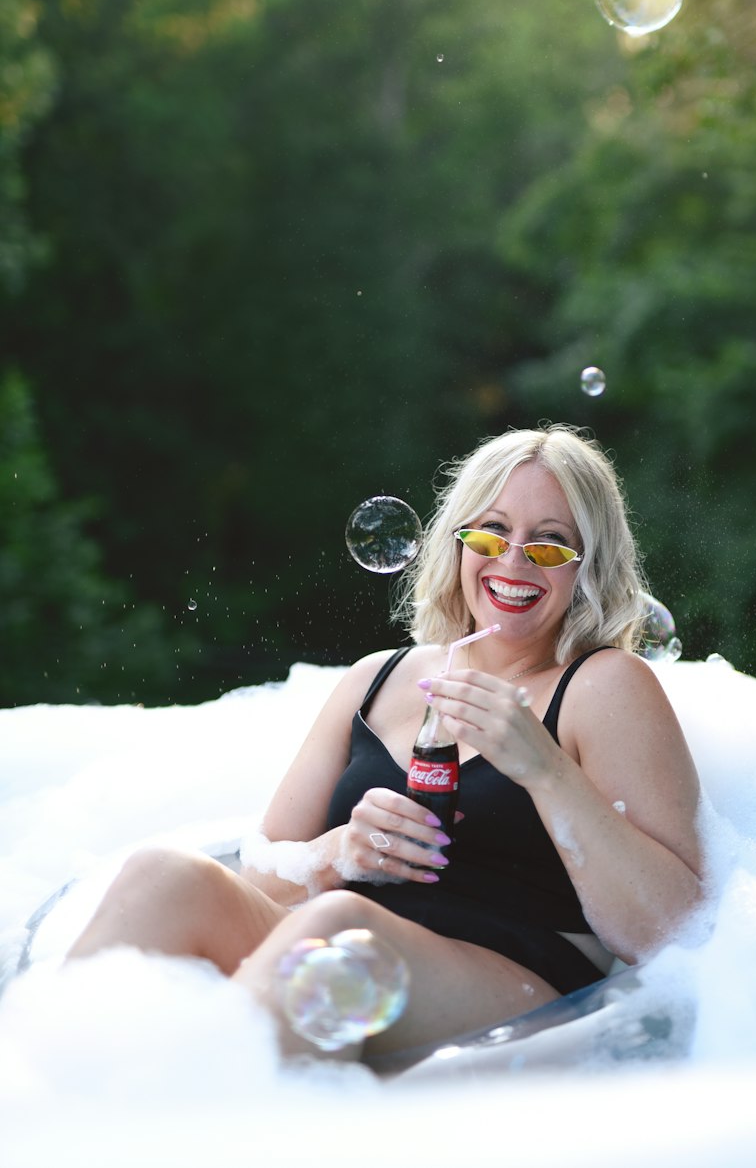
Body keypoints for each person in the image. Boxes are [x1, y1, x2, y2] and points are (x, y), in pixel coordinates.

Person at [67, 424, 703, 1066]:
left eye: (549, 544)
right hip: (338, 950)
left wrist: (545, 771)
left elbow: (674, 925)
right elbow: (260, 871)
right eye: (490, 533)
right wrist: (336, 852)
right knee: (163, 876)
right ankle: (42, 1108)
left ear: (588, 563)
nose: (512, 561)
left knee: (337, 931)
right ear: (458, 542)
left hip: (519, 979)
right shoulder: (376, 678)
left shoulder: (605, 685)